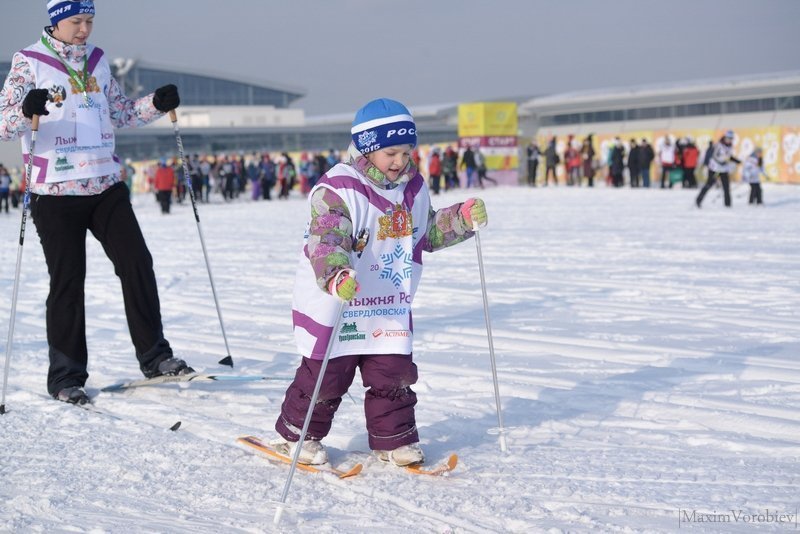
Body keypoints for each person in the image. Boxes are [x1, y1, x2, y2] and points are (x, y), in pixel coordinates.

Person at [271, 98, 488, 467]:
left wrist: (462, 219)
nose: (400, 161)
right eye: (391, 152)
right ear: (368, 149)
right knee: (327, 377)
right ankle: (300, 436)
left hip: (386, 302)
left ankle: (393, 440)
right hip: (340, 299)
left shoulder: (413, 189)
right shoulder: (339, 187)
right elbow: (326, 238)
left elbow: (426, 233)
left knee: (393, 374)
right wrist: (337, 274)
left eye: (406, 151)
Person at [0, 0, 194, 405]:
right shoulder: (29, 61)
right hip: (55, 190)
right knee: (68, 281)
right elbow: (3, 123)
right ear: (56, 22)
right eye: (76, 22)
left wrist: (155, 104)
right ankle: (66, 376)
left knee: (137, 262)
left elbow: (119, 113)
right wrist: (25, 109)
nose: (85, 30)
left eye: (89, 21)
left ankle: (156, 356)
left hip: (105, 184)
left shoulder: (100, 61)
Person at [696, 130, 740, 208]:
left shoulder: (730, 146)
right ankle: (698, 200)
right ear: (725, 137)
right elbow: (715, 156)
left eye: (731, 138)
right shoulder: (718, 145)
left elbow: (728, 156)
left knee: (726, 187)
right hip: (715, 169)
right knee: (709, 184)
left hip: (723, 169)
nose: (729, 140)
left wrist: (736, 160)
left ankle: (728, 205)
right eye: (728, 138)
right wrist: (722, 160)